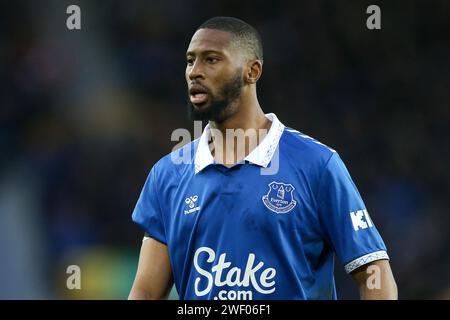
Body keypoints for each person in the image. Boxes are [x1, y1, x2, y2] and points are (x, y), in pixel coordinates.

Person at [128, 16, 397, 300]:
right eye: (190, 60)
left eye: (211, 60)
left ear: (252, 71)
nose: (195, 71)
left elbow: (374, 274)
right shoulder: (168, 174)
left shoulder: (317, 165)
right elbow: (145, 292)